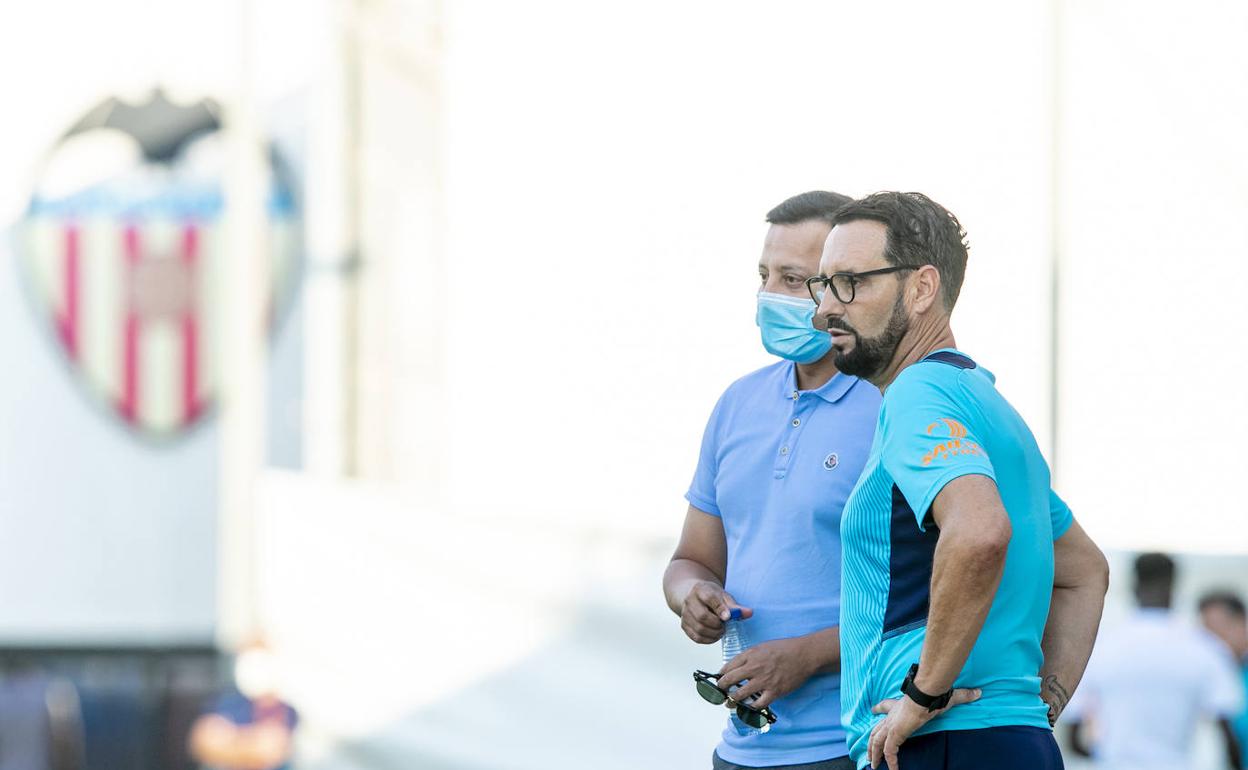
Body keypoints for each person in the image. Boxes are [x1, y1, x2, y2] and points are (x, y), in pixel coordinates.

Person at [813, 191, 1109, 770]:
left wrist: (923, 693)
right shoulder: (987, 403)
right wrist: (1037, 704)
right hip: (1009, 740)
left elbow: (979, 532)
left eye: (850, 282)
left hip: (939, 741)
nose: (824, 308)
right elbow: (1083, 569)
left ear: (922, 289)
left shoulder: (917, 393)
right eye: (821, 284)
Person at [663, 190, 882, 770]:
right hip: (742, 752)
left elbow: (944, 592)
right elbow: (690, 561)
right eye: (764, 275)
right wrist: (693, 597)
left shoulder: (893, 406)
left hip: (857, 745)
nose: (769, 295)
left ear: (844, 285)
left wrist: (807, 656)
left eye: (792, 278)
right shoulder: (738, 403)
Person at [1061, 555, 1243, 770]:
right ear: (1174, 587)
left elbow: (1073, 739)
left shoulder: (1100, 647)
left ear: (1134, 586)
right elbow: (1229, 736)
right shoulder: (1205, 649)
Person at [188, 639, 298, 770]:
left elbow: (272, 750)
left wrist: (232, 740)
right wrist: (253, 743)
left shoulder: (286, 710)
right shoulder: (227, 702)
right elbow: (202, 745)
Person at [1201, 590, 1248, 768]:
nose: (1212, 642)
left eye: (1218, 631)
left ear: (1242, 624)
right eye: (1206, 633)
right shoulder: (1215, 679)